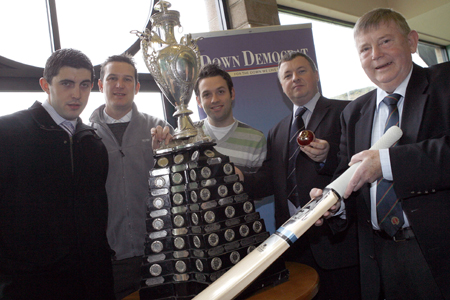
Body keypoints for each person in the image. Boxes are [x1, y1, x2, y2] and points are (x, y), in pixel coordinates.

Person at [312, 8, 450, 300]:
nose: (375, 54)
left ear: (412, 42)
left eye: (385, 41)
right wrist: (334, 204)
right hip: (381, 260)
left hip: (439, 255)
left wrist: (386, 163)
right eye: (365, 48)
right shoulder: (353, 112)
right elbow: (348, 174)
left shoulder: (444, 83)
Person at [243, 51, 360, 300]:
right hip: (293, 245)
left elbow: (357, 166)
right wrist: (237, 178)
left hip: (336, 240)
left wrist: (329, 156)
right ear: (282, 85)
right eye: (287, 75)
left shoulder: (346, 111)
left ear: (316, 75)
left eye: (301, 71)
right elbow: (268, 179)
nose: (294, 78)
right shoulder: (277, 131)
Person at [0, 48, 114, 299]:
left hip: (92, 284)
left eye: (84, 85)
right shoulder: (7, 133)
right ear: (45, 84)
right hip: (28, 286)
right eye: (67, 83)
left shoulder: (93, 143)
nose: (76, 94)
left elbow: (97, 218)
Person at [89, 54, 172, 300]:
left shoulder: (160, 128)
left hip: (161, 248)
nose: (119, 85)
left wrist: (164, 155)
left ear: (136, 88)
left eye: (127, 79)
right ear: (101, 85)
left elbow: (178, 185)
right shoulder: (85, 136)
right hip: (111, 258)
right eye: (112, 78)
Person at [194, 63, 267, 174]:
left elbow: (261, 187)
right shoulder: (188, 137)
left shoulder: (255, 140)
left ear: (232, 94)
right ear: (199, 101)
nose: (215, 99)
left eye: (220, 92)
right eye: (207, 94)